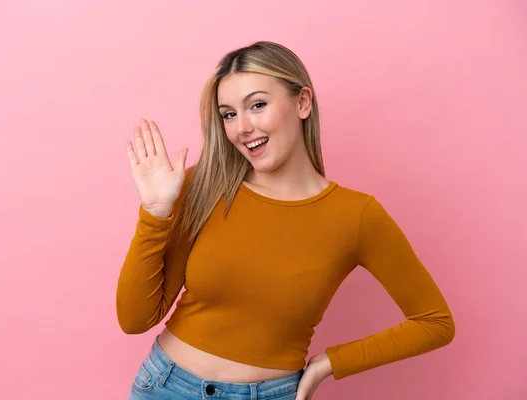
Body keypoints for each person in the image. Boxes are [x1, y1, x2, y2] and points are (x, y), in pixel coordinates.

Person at [117, 41, 455, 400]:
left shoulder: (356, 215)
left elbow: (435, 322)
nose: (241, 127)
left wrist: (329, 363)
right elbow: (134, 319)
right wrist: (155, 214)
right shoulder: (204, 185)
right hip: (167, 387)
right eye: (228, 114)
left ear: (303, 102)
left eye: (257, 105)